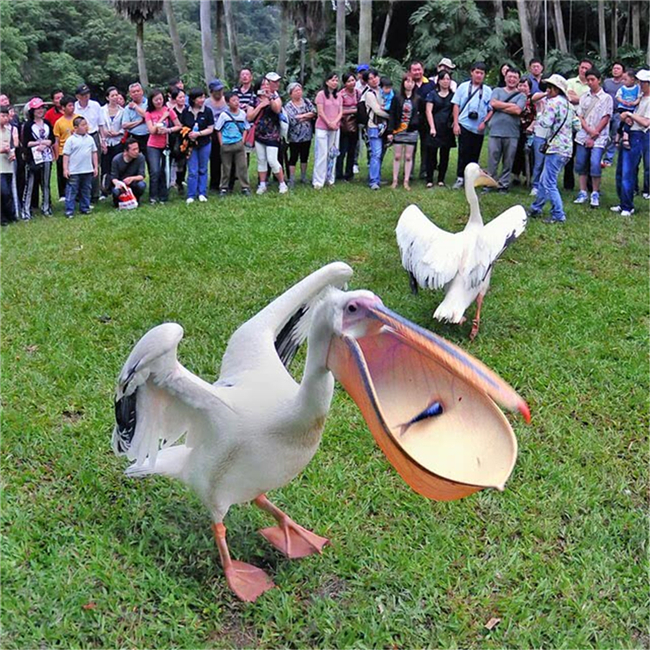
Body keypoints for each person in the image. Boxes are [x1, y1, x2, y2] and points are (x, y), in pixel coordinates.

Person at [528, 75, 574, 224]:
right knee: (545, 179)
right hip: (567, 148)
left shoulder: (552, 104)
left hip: (555, 147)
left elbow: (546, 123)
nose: (547, 90)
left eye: (549, 87)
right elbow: (577, 126)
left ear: (555, 89)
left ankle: (558, 215)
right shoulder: (569, 105)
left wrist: (540, 113)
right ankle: (536, 208)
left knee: (549, 182)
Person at [611, 69, 650, 217]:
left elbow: (646, 122)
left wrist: (629, 115)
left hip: (638, 135)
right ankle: (623, 202)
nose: (639, 84)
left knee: (628, 171)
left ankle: (627, 206)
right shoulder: (640, 97)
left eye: (642, 82)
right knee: (620, 170)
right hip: (630, 132)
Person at [573, 67, 612, 209]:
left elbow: (606, 117)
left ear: (599, 80)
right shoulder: (584, 97)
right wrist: (588, 130)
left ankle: (595, 192)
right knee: (581, 163)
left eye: (592, 80)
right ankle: (582, 191)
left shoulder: (606, 98)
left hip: (599, 137)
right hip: (583, 135)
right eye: (588, 80)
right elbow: (580, 116)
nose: (590, 82)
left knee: (595, 163)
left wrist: (594, 133)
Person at [451, 61, 493, 189]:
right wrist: (456, 123)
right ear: (472, 72)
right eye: (477, 72)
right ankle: (460, 178)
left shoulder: (487, 90)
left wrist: (484, 122)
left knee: (475, 154)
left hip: (479, 127)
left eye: (482, 73)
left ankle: (472, 179)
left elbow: (491, 109)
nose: (479, 75)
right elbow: (456, 105)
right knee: (463, 152)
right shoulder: (463, 87)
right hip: (464, 124)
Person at [486, 67, 526, 192]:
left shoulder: (522, 96)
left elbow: (518, 110)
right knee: (493, 159)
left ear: (518, 80)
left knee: (508, 160)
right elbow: (493, 103)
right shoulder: (497, 90)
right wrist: (510, 106)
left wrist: (500, 105)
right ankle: (490, 183)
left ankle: (503, 184)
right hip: (495, 131)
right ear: (505, 77)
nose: (512, 79)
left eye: (515, 77)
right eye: (510, 77)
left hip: (512, 132)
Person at [246, 77, 288, 195]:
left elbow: (277, 109)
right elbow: (249, 117)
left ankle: (282, 183)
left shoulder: (275, 96)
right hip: (259, 134)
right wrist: (261, 105)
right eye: (263, 84)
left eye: (267, 84)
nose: (265, 87)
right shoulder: (254, 99)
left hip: (273, 134)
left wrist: (270, 98)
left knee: (272, 160)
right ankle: (262, 184)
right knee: (261, 160)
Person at [21, 97, 54, 219]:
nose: (40, 111)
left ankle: (46, 208)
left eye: (41, 108)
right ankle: (26, 211)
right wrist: (38, 144)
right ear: (32, 111)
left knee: (46, 183)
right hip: (33, 158)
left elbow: (52, 139)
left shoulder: (47, 124)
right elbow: (26, 142)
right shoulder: (28, 125)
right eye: (37, 109)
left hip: (46, 157)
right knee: (29, 184)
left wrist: (46, 143)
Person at [145, 88, 180, 204]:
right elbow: (151, 130)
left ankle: (164, 196)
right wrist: (162, 118)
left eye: (160, 99)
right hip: (153, 145)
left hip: (166, 145)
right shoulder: (149, 113)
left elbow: (178, 126)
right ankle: (153, 196)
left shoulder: (169, 110)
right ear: (152, 101)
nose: (159, 102)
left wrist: (168, 130)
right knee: (155, 170)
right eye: (156, 100)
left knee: (165, 170)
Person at [181, 87, 215, 204]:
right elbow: (182, 126)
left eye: (203, 97)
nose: (202, 99)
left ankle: (202, 193)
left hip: (204, 143)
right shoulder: (186, 111)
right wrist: (188, 133)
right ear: (193, 100)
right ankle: (191, 194)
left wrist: (198, 134)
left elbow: (211, 129)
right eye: (200, 97)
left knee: (203, 169)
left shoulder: (208, 111)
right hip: (190, 145)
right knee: (192, 170)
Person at [387, 72, 421, 190]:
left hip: (411, 131)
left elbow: (420, 115)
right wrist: (390, 131)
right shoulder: (396, 98)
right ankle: (395, 180)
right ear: (403, 83)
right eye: (407, 81)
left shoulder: (417, 99)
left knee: (408, 156)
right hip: (398, 130)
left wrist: (416, 124)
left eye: (412, 82)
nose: (409, 84)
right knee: (397, 156)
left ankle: (406, 181)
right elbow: (392, 115)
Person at [215, 91, 250, 196]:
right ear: (227, 102)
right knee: (226, 167)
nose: (236, 102)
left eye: (237, 100)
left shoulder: (242, 114)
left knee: (242, 166)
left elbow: (246, 128)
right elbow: (218, 129)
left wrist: (242, 140)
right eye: (233, 100)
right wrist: (221, 143)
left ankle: (245, 187)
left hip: (238, 143)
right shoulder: (224, 115)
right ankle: (224, 187)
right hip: (226, 144)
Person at [564, 58, 592, 190]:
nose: (584, 70)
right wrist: (584, 99)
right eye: (582, 67)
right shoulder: (569, 82)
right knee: (569, 154)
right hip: (569, 122)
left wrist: (578, 99)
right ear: (578, 68)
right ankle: (568, 184)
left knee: (587, 155)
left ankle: (590, 185)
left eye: (587, 68)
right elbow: (569, 98)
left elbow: (592, 103)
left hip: (587, 124)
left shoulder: (592, 85)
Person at [62, 116, 98, 218]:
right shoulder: (71, 140)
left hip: (87, 169)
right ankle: (69, 210)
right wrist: (65, 169)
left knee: (86, 190)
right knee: (72, 191)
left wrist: (95, 166)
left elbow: (94, 152)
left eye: (86, 124)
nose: (86, 127)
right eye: (83, 125)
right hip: (74, 171)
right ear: (75, 128)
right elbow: (66, 155)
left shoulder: (90, 139)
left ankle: (85, 207)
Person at [424, 70, 456, 187]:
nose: (446, 81)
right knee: (431, 154)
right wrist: (432, 127)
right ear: (439, 80)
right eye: (443, 79)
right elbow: (428, 111)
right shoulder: (432, 94)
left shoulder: (453, 95)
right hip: (434, 126)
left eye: (448, 79)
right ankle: (429, 179)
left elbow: (456, 110)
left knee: (445, 155)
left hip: (447, 128)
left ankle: (441, 178)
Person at [313, 72, 343, 189]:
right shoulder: (321, 95)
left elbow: (340, 111)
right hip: (322, 127)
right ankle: (318, 181)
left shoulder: (338, 95)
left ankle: (330, 179)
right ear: (327, 82)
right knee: (322, 153)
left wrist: (335, 122)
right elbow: (320, 112)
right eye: (332, 80)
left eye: (336, 80)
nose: (335, 82)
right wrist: (329, 123)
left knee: (332, 154)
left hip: (335, 128)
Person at [73, 84, 102, 202]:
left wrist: (103, 140)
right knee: (79, 165)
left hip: (93, 135)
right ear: (78, 96)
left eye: (88, 94)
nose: (86, 97)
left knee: (95, 165)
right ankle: (80, 194)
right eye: (83, 95)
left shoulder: (95, 105)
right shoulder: (74, 107)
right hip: (78, 137)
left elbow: (100, 124)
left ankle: (94, 193)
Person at [284, 81, 316, 186]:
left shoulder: (306, 101)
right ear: (291, 93)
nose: (299, 92)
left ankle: (303, 176)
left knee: (304, 156)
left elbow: (313, 112)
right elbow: (292, 119)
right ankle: (291, 178)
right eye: (296, 90)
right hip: (294, 136)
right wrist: (306, 116)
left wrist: (301, 116)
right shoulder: (288, 106)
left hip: (307, 134)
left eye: (300, 90)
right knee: (293, 157)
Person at [363, 69, 390, 190]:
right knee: (376, 153)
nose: (374, 80)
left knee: (381, 153)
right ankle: (373, 180)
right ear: (367, 82)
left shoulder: (384, 91)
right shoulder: (369, 94)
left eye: (375, 77)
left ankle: (377, 177)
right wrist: (391, 115)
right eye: (370, 78)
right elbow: (377, 110)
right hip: (374, 126)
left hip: (385, 126)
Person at [409, 60, 434, 179]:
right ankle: (409, 171)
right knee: (411, 146)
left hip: (426, 120)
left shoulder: (431, 84)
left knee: (426, 146)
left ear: (423, 70)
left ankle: (424, 171)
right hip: (411, 120)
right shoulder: (407, 84)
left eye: (419, 69)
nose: (417, 72)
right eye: (414, 70)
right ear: (410, 72)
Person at [98, 87, 125, 200]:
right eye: (112, 95)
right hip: (105, 142)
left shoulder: (122, 111)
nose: (115, 97)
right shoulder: (101, 110)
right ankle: (104, 190)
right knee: (105, 166)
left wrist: (118, 132)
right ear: (107, 97)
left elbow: (124, 126)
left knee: (118, 165)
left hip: (118, 141)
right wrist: (103, 138)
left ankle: (118, 188)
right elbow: (99, 126)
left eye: (116, 95)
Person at [510, 77, 536, 188]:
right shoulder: (513, 98)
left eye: (525, 85)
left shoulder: (533, 100)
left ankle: (528, 177)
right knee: (515, 153)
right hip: (515, 129)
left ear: (529, 88)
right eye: (520, 85)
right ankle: (515, 176)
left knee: (529, 155)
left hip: (529, 131)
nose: (522, 88)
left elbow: (537, 115)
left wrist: (531, 126)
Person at [53, 96, 78, 202]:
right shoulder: (59, 122)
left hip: (76, 151)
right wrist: (57, 154)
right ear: (63, 108)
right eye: (69, 105)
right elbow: (57, 140)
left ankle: (78, 194)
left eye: (73, 105)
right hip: (63, 151)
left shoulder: (78, 119)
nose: (72, 108)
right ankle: (63, 194)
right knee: (63, 174)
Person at [110, 137, 147, 207]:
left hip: (133, 182)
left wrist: (132, 179)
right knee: (116, 191)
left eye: (137, 149)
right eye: (134, 150)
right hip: (121, 184)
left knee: (142, 185)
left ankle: (136, 199)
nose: (136, 151)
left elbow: (141, 175)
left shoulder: (140, 157)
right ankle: (117, 201)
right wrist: (118, 184)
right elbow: (113, 177)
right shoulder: (116, 160)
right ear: (126, 151)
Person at [336, 72, 359, 181]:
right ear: (345, 83)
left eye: (353, 80)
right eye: (349, 81)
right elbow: (339, 110)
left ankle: (349, 174)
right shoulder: (341, 94)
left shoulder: (358, 93)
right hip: (343, 125)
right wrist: (353, 110)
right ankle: (339, 173)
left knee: (352, 150)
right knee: (342, 150)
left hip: (354, 125)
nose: (351, 83)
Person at [602, 61, 626, 166]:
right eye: (614, 68)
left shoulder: (625, 84)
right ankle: (599, 156)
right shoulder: (606, 82)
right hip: (606, 111)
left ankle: (609, 159)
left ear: (623, 72)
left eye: (618, 69)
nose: (615, 70)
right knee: (604, 134)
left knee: (615, 135)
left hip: (618, 113)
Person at [206, 78, 227, 192]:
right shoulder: (207, 103)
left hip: (226, 131)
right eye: (216, 91)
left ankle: (227, 183)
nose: (219, 93)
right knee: (215, 159)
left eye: (220, 90)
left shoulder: (227, 101)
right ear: (211, 92)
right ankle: (214, 184)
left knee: (228, 158)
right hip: (212, 132)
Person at [0, 105, 20, 225]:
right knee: (3, 192)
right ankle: (3, 217)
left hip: (7, 166)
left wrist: (11, 154)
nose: (5, 118)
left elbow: (11, 147)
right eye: (2, 116)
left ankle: (10, 215)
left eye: (7, 116)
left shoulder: (8, 131)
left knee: (9, 192)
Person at [614, 70, 641, 150]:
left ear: (632, 79)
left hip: (632, 108)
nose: (623, 81)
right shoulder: (622, 88)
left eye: (625, 79)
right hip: (623, 107)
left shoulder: (637, 88)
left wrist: (634, 103)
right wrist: (623, 101)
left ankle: (619, 137)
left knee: (628, 121)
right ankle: (624, 137)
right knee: (625, 120)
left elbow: (639, 97)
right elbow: (618, 97)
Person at [168, 87, 188, 194]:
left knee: (183, 162)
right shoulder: (171, 111)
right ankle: (171, 181)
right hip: (173, 139)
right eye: (180, 97)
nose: (182, 99)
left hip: (185, 139)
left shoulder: (188, 109)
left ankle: (180, 181)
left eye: (184, 97)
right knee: (172, 161)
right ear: (175, 99)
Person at [122, 82, 149, 155]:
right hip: (134, 137)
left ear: (142, 92)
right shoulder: (127, 108)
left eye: (138, 91)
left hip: (148, 135)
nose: (136, 93)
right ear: (130, 95)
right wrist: (139, 122)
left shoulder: (148, 103)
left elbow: (147, 116)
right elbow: (124, 125)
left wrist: (135, 107)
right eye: (133, 92)